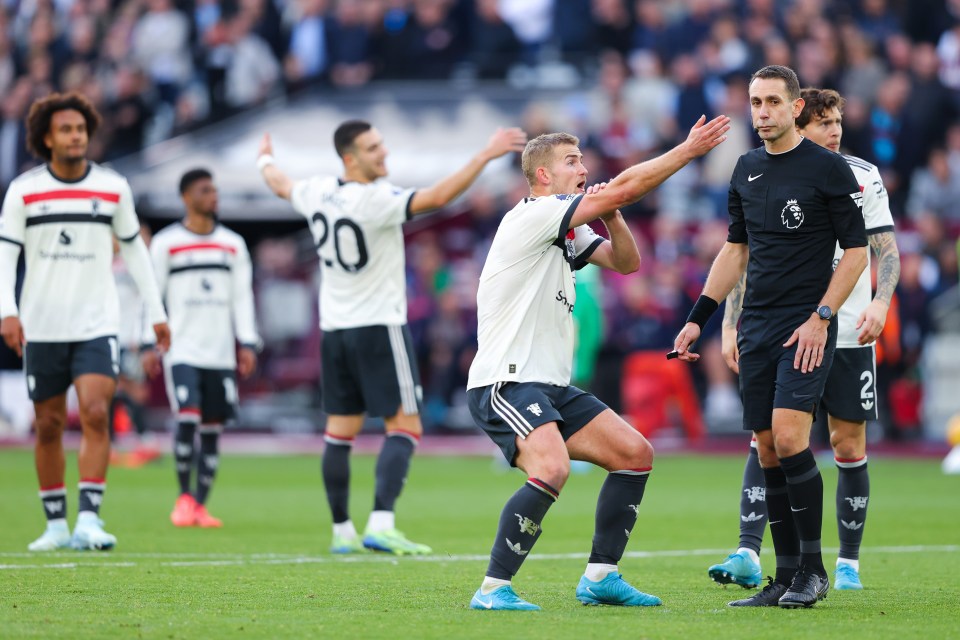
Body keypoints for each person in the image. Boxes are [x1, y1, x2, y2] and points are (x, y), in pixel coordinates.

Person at [467, 113, 731, 611]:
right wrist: (686, 152)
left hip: (550, 385)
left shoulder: (565, 227)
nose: (583, 167)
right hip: (508, 380)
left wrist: (611, 216)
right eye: (572, 161)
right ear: (543, 175)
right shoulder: (534, 213)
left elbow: (627, 263)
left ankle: (600, 576)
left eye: (583, 158)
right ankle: (492, 588)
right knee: (552, 466)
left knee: (635, 453)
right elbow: (625, 188)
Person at [257, 121, 528, 555]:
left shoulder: (316, 191)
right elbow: (438, 198)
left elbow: (278, 183)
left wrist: (265, 157)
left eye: (381, 144)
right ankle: (381, 523)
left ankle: (341, 530)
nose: (383, 154)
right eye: (372, 148)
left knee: (339, 432)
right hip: (379, 326)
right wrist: (485, 154)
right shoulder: (377, 199)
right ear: (351, 159)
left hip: (334, 331)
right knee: (405, 424)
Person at [672, 65, 868, 609]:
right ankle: (782, 578)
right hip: (756, 324)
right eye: (755, 103)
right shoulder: (745, 168)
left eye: (772, 103)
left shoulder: (828, 170)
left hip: (806, 325)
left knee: (788, 438)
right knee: (766, 449)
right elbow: (736, 250)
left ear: (795, 106)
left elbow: (856, 250)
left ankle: (814, 570)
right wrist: (699, 317)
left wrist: (823, 315)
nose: (761, 113)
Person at [707, 87, 901, 593]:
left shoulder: (860, 174)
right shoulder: (764, 168)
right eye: (824, 123)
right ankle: (752, 550)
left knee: (846, 441)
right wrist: (731, 322)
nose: (834, 130)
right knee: (769, 437)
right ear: (802, 124)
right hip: (778, 326)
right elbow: (746, 253)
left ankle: (845, 563)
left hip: (848, 324)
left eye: (838, 120)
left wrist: (880, 303)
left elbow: (881, 248)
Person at [0, 92, 170, 551]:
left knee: (96, 413)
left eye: (81, 129)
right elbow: (5, 253)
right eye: (66, 130)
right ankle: (55, 524)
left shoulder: (113, 188)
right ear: (47, 138)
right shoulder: (24, 191)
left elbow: (135, 250)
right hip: (43, 324)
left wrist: (157, 313)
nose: (76, 136)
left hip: (97, 322)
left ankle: (89, 519)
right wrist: (7, 311)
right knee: (49, 424)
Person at [141, 168, 260, 528]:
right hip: (183, 349)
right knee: (187, 417)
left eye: (214, 190)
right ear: (186, 197)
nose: (213, 196)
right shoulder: (166, 243)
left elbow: (242, 298)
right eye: (205, 190)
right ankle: (183, 498)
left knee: (212, 428)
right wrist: (149, 342)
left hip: (220, 351)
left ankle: (201, 506)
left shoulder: (233, 244)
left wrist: (248, 341)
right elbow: (152, 296)